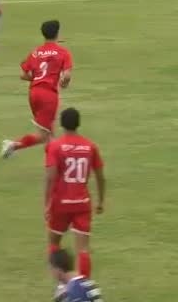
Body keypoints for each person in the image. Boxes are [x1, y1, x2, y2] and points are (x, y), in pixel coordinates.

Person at [46, 108, 105, 278]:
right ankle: (83, 287)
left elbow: (50, 177)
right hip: (82, 203)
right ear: (78, 123)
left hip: (60, 203)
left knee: (54, 243)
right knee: (83, 249)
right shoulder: (90, 146)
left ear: (61, 124)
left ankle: (60, 284)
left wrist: (47, 203)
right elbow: (100, 177)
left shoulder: (55, 146)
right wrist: (100, 201)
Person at [2, 20, 74, 158]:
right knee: (42, 135)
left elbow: (23, 75)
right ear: (57, 33)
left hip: (34, 94)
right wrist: (64, 83)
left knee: (48, 132)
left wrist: (37, 78)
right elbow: (67, 76)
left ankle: (57, 163)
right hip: (48, 96)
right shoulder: (63, 53)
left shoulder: (36, 52)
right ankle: (13, 145)